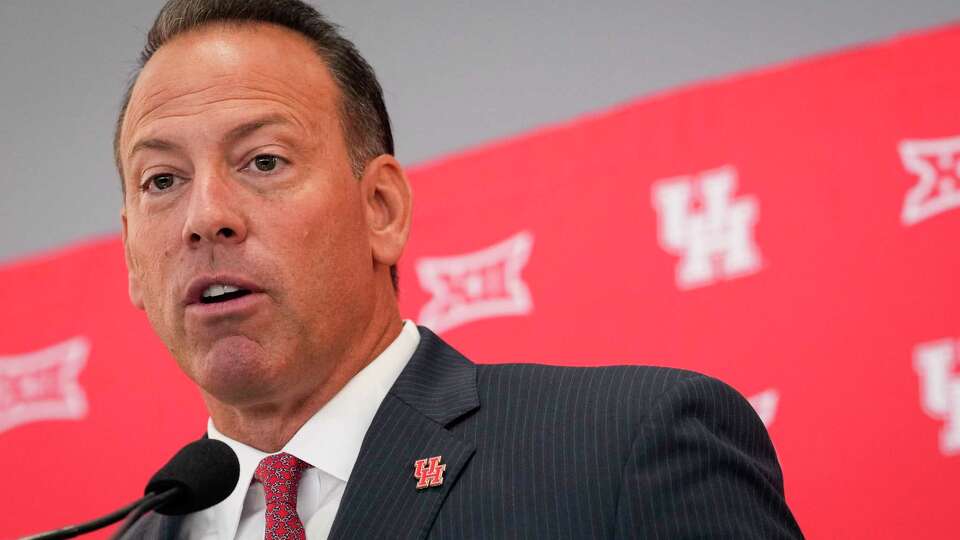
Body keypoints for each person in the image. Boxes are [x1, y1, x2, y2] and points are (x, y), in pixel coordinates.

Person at [116, 0, 803, 538]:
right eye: (161, 181)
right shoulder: (139, 532)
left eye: (263, 161)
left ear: (381, 208)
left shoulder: (626, 446)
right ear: (133, 264)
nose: (206, 216)